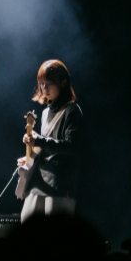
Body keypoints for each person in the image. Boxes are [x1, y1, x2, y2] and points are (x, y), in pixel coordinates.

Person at [18, 59, 83, 222]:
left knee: (54, 237)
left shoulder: (72, 111)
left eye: (48, 84)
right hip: (39, 181)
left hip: (59, 183)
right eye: (41, 84)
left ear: (63, 82)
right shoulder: (46, 112)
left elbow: (72, 146)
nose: (43, 88)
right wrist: (31, 157)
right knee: (26, 223)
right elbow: (47, 144)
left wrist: (39, 141)